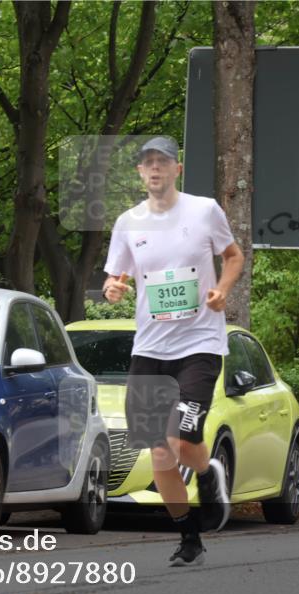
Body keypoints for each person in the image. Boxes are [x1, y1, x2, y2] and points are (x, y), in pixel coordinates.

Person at [103, 136, 244, 566]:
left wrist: (221, 289)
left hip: (199, 345)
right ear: (140, 173)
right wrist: (113, 287)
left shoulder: (204, 211)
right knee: (158, 449)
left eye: (162, 162)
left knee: (182, 437)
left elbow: (234, 256)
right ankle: (188, 536)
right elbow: (116, 277)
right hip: (149, 348)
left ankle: (206, 471)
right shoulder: (128, 222)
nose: (155, 169)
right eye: (147, 164)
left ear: (176, 169)